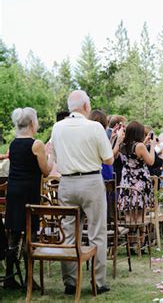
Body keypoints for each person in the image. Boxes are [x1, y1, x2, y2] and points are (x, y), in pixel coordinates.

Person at [51, 90, 113, 295]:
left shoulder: (57, 128)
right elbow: (109, 159)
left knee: (68, 232)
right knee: (97, 232)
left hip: (67, 182)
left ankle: (70, 282)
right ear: (86, 107)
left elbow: (56, 155)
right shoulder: (95, 127)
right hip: (91, 181)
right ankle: (98, 282)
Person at [2, 107, 53, 289]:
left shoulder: (13, 143)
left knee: (13, 235)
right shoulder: (36, 144)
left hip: (13, 191)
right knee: (29, 233)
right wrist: (51, 154)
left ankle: (9, 276)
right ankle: (30, 280)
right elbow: (46, 171)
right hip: (28, 193)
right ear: (32, 123)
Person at [118, 121, 156, 212]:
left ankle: (129, 226)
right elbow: (151, 161)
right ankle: (138, 227)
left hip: (127, 179)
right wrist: (152, 146)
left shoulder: (122, 144)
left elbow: (134, 153)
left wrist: (145, 142)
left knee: (129, 208)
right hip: (138, 180)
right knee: (139, 210)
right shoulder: (140, 146)